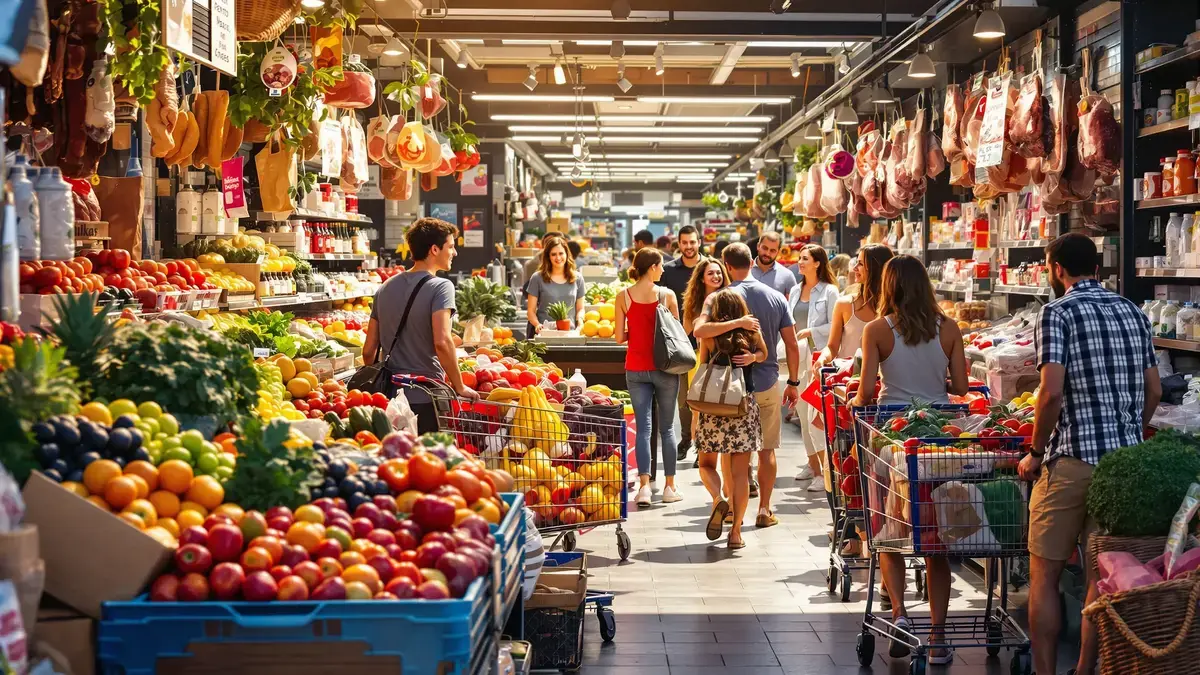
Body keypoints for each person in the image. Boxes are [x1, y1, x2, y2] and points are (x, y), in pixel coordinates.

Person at [1017, 234, 1160, 675]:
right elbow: (1153, 389)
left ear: (1057, 268)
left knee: (1045, 575)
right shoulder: (1133, 312)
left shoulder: (1056, 312)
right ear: (1096, 267)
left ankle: (1045, 671)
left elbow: (1051, 392)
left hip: (1070, 463)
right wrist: (1128, 435)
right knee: (1104, 573)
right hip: (1121, 469)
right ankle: (1085, 669)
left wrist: (1035, 452)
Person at [851, 254, 969, 666]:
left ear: (889, 287)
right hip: (938, 437)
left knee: (890, 529)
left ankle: (899, 614)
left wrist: (858, 399)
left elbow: (867, 390)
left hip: (891, 434)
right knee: (936, 538)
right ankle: (937, 637)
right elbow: (961, 385)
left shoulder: (877, 330)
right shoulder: (949, 328)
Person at [694, 243, 800, 529]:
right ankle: (764, 509)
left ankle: (729, 509)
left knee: (731, 456)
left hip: (727, 391)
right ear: (752, 261)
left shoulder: (718, 299)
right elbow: (791, 344)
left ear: (727, 266)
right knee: (767, 451)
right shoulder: (777, 297)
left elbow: (700, 334)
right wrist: (793, 381)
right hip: (764, 384)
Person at [364, 218, 479, 434]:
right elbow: (442, 342)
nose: (454, 253)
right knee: (427, 461)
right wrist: (460, 386)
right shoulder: (441, 287)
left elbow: (368, 349)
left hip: (391, 400)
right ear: (435, 249)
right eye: (451, 247)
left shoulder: (385, 287)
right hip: (426, 397)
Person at [694, 289, 768, 550]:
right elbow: (765, 354)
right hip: (743, 407)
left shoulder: (710, 337)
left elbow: (702, 363)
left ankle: (717, 499)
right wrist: (752, 357)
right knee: (740, 474)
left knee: (706, 463)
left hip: (713, 407)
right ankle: (735, 532)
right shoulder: (750, 332)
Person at [615, 248, 683, 507]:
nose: (664, 269)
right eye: (661, 265)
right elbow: (676, 335)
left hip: (635, 367)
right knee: (666, 429)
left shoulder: (623, 296)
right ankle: (669, 486)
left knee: (643, 429)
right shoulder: (667, 296)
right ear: (652, 267)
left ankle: (644, 487)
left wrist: (638, 334)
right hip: (665, 368)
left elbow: (619, 337)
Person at [786, 244, 841, 490]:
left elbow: (837, 326)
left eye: (805, 258)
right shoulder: (795, 291)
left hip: (818, 357)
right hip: (797, 356)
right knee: (801, 413)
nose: (800, 262)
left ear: (818, 263)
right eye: (799, 258)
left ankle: (824, 471)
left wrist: (812, 331)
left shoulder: (830, 292)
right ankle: (812, 464)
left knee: (815, 416)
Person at [814, 244, 894, 374]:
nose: (855, 268)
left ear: (875, 268)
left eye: (861, 264)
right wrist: (822, 359)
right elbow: (832, 347)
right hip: (847, 383)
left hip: (886, 383)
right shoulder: (844, 304)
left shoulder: (895, 307)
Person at [683, 257, 730, 470]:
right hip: (699, 358)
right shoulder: (693, 302)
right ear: (701, 278)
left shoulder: (730, 298)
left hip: (726, 358)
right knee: (699, 409)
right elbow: (685, 332)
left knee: (725, 406)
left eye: (718, 272)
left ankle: (722, 449)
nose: (716, 276)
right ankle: (700, 448)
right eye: (711, 273)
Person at [660, 225, 703, 462]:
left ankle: (702, 445)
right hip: (677, 345)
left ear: (699, 243)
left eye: (692, 242)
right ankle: (686, 439)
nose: (689, 247)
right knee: (684, 399)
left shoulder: (708, 268)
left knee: (705, 397)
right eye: (684, 242)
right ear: (679, 244)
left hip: (705, 343)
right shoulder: (668, 271)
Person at [526, 237, 586, 335]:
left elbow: (580, 309)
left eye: (561, 253)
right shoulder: (537, 278)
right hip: (544, 333)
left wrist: (580, 323)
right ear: (548, 257)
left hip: (570, 334)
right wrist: (537, 324)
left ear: (567, 254)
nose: (558, 258)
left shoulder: (577, 278)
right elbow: (531, 311)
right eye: (553, 254)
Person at [750, 231, 799, 297]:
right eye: (765, 248)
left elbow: (794, 302)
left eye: (772, 250)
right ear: (758, 246)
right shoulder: (744, 270)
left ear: (778, 251)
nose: (767, 253)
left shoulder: (787, 276)